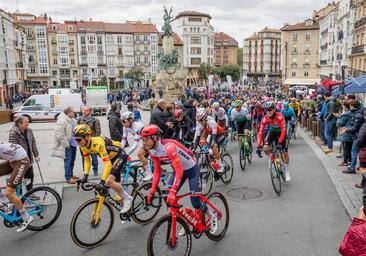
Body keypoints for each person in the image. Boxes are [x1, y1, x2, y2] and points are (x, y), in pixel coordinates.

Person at [143, 125, 217, 233]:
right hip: (179, 170)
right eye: (142, 140)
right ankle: (186, 220)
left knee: (195, 203)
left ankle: (212, 215)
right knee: (167, 197)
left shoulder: (168, 147)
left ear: (155, 138)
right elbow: (157, 171)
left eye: (146, 140)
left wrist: (174, 191)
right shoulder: (153, 151)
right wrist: (152, 191)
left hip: (191, 170)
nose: (144, 143)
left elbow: (179, 170)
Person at [74, 124, 132, 213]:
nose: (77, 142)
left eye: (78, 139)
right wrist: (85, 176)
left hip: (120, 155)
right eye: (75, 139)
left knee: (108, 181)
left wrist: (102, 182)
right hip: (111, 158)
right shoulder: (83, 147)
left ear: (87, 137)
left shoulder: (98, 144)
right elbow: (87, 160)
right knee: (107, 184)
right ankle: (120, 199)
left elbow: (108, 165)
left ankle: (128, 199)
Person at [0, 142, 32, 232]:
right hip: (13, 159)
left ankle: (26, 217)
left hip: (22, 161)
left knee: (9, 192)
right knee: (8, 195)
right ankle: (4, 203)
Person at [257, 102, 291, 181]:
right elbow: (261, 132)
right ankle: (271, 158)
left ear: (274, 110)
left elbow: (283, 130)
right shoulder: (265, 118)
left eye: (270, 110)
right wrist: (258, 145)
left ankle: (286, 170)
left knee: (285, 153)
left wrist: (280, 142)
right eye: (266, 110)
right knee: (265, 148)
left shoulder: (279, 116)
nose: (268, 111)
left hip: (281, 133)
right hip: (272, 131)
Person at [9, 116, 40, 191]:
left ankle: (30, 192)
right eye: (26, 122)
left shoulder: (29, 130)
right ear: (19, 124)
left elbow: (33, 142)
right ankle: (19, 195)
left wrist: (36, 154)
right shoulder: (13, 133)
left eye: (28, 121)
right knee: (19, 178)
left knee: (30, 176)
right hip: (19, 160)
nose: (28, 123)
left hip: (28, 158)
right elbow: (13, 148)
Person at [120, 111, 152, 181]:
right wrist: (120, 149)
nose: (123, 123)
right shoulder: (125, 127)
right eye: (121, 121)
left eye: (124, 121)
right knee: (141, 160)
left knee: (140, 154)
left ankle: (149, 174)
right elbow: (124, 140)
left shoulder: (137, 127)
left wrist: (127, 154)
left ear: (130, 120)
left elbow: (135, 144)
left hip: (151, 140)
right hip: (144, 141)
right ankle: (146, 173)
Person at [193, 108, 226, 173]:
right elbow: (197, 137)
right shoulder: (199, 123)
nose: (200, 122)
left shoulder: (211, 122)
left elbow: (214, 136)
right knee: (208, 153)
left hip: (220, 134)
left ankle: (221, 165)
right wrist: (194, 149)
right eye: (199, 120)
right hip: (211, 134)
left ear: (205, 118)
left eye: (201, 120)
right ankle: (215, 166)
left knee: (213, 147)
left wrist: (210, 146)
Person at [51, 106, 78, 184]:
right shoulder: (62, 121)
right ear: (68, 112)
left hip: (73, 143)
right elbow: (60, 134)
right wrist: (66, 144)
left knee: (72, 160)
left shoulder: (72, 120)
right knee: (68, 161)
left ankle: (71, 174)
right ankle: (68, 178)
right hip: (67, 145)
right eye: (73, 111)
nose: (74, 113)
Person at [341, 100, 365, 174]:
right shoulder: (359, 112)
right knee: (358, 152)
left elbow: (356, 127)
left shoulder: (358, 115)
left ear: (352, 106)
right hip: (359, 135)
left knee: (354, 152)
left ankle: (352, 168)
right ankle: (360, 166)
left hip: (358, 136)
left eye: (350, 105)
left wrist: (347, 129)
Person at [77, 105, 101, 176]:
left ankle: (95, 170)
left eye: (86, 110)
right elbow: (76, 131)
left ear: (90, 111)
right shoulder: (79, 119)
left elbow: (98, 131)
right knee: (84, 157)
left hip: (92, 142)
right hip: (82, 143)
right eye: (83, 110)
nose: (84, 112)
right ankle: (85, 171)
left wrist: (95, 140)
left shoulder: (95, 120)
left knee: (94, 157)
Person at [336, 102, 353, 167]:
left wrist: (338, 117)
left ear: (345, 107)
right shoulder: (352, 113)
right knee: (349, 148)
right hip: (351, 132)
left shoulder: (345, 114)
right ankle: (349, 161)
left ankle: (345, 161)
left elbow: (339, 124)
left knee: (346, 148)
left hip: (346, 132)